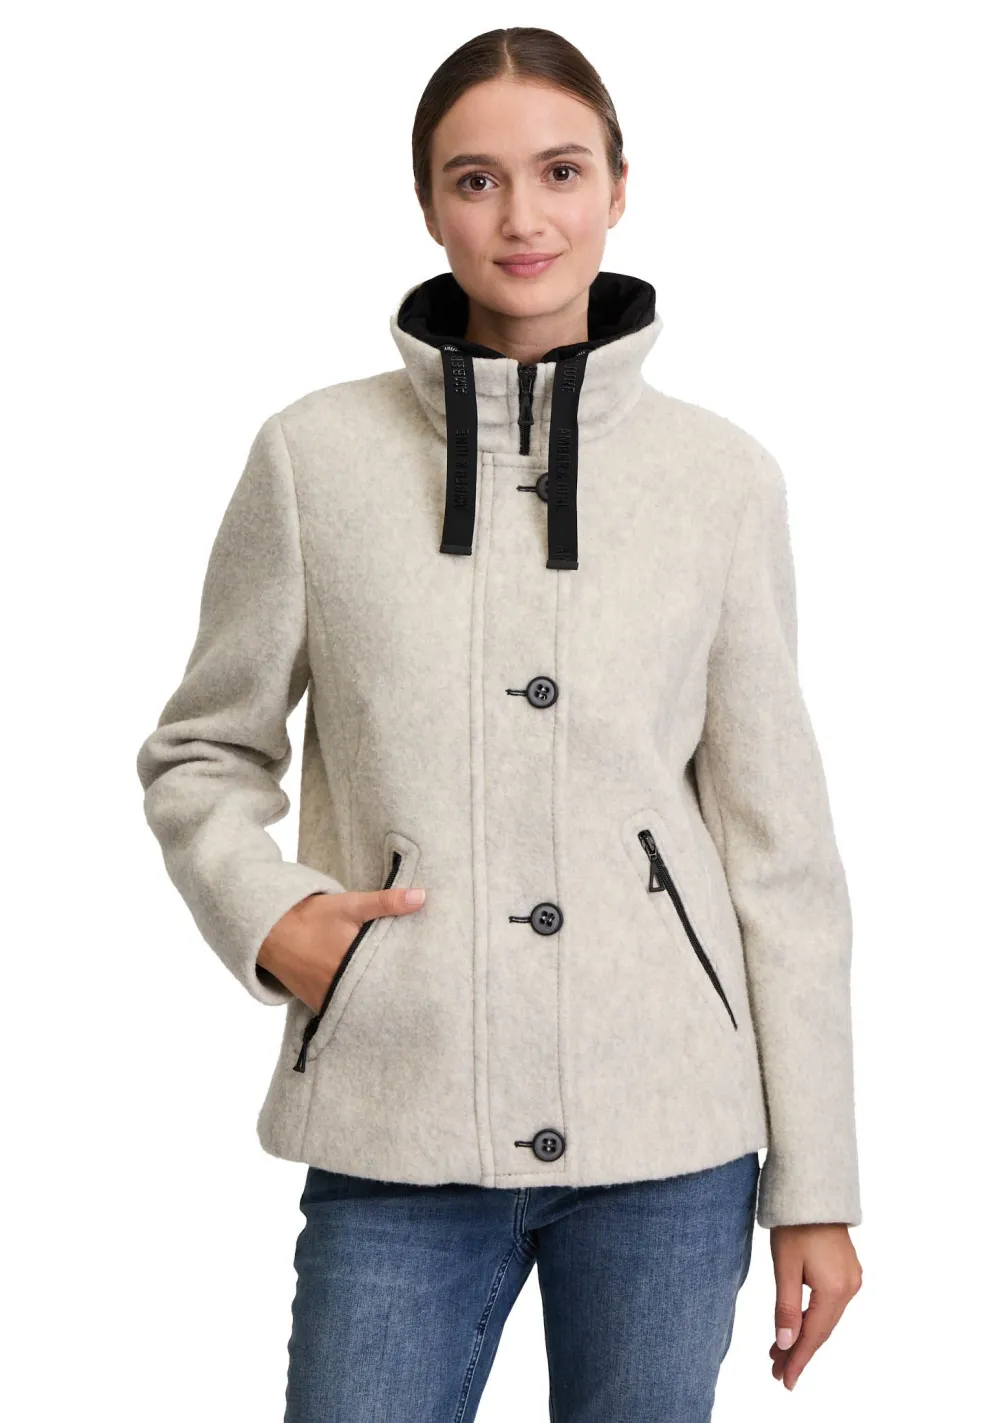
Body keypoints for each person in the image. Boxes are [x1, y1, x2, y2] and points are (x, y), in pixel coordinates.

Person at [136, 25, 863, 1422]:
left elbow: (780, 854)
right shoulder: (314, 459)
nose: (523, 216)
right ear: (428, 204)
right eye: (476, 179)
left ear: (620, 188)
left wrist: (816, 1188)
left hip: (671, 1141)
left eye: (561, 171)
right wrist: (271, 916)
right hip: (395, 1123)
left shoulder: (721, 482)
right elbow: (203, 749)